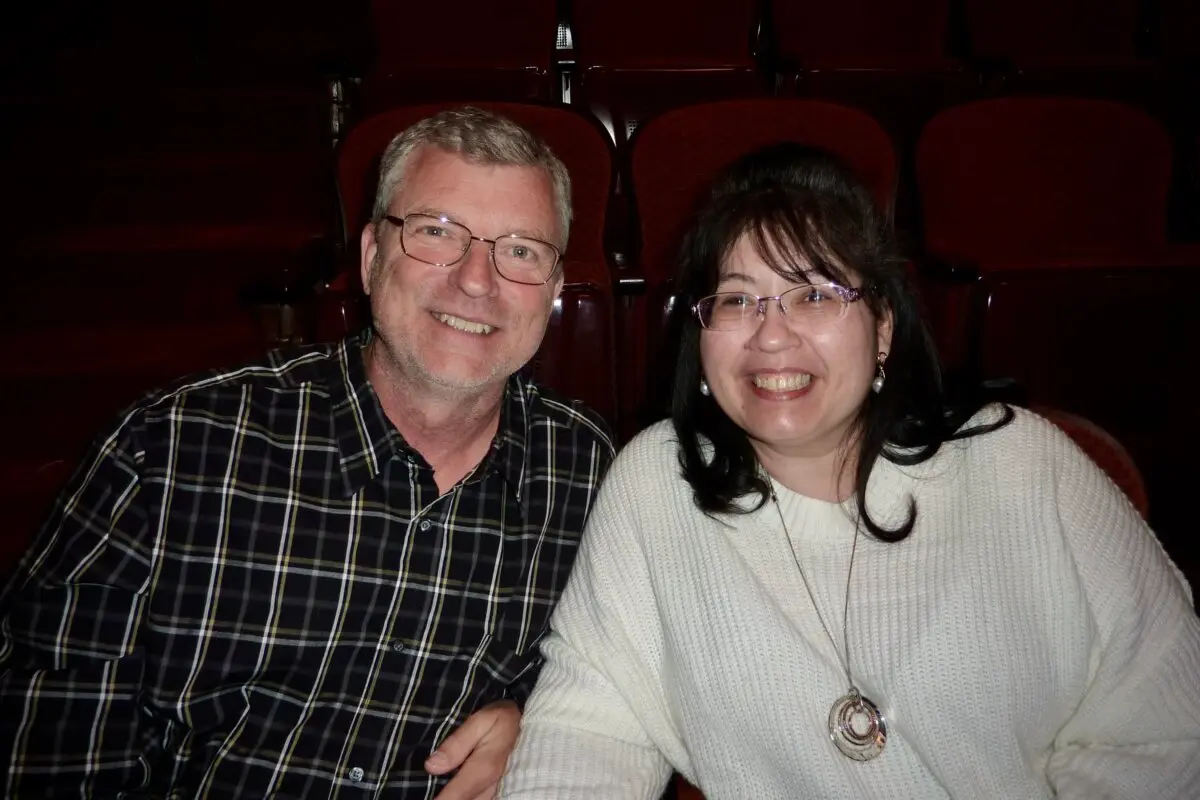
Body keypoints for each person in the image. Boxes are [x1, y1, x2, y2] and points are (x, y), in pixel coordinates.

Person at [498, 143, 1200, 799]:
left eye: (815, 294)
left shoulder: (1023, 464)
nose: (773, 335)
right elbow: (588, 732)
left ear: (884, 326)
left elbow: (1167, 732)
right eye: (738, 300)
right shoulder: (657, 485)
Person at [0, 107, 615, 798]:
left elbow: (626, 691)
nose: (477, 279)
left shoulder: (591, 475)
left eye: (522, 250)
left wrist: (542, 723)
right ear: (372, 256)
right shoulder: (171, 447)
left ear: (557, 291)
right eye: (436, 233)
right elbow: (47, 751)